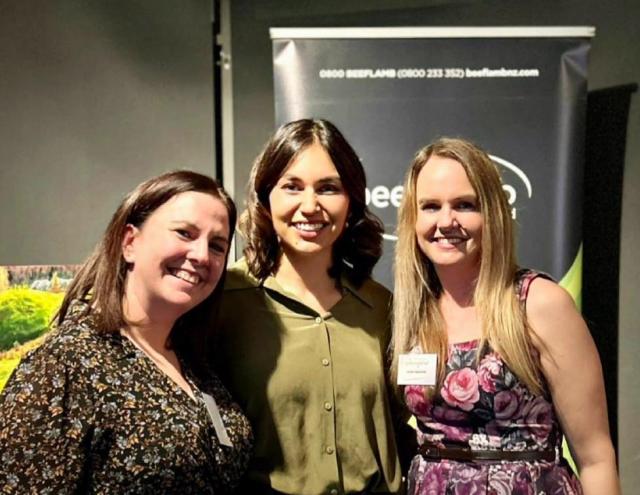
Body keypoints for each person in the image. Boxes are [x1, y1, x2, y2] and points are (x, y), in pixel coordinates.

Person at [0, 171, 253, 493]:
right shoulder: (64, 366)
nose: (202, 255)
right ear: (130, 242)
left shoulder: (195, 362)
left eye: (217, 246)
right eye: (184, 233)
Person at [391, 137, 619, 494]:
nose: (446, 220)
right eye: (431, 206)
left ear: (492, 212)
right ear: (413, 218)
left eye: (464, 205)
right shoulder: (413, 310)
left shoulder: (538, 303)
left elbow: (595, 458)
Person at [215, 118, 406, 494]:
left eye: (328, 188)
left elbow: (402, 427)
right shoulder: (223, 301)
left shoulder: (382, 307)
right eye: (292, 187)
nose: (310, 205)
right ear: (266, 198)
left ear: (351, 201)